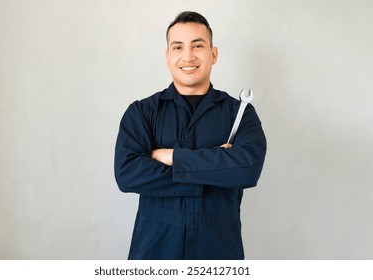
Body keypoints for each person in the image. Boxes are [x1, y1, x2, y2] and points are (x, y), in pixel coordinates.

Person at [114, 11, 266, 260]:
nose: (188, 56)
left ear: (213, 54)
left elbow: (248, 169)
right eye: (177, 47)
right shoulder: (142, 112)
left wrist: (171, 156)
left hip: (218, 250)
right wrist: (217, 167)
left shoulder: (239, 112)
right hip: (155, 249)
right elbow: (127, 174)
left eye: (198, 45)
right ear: (167, 57)